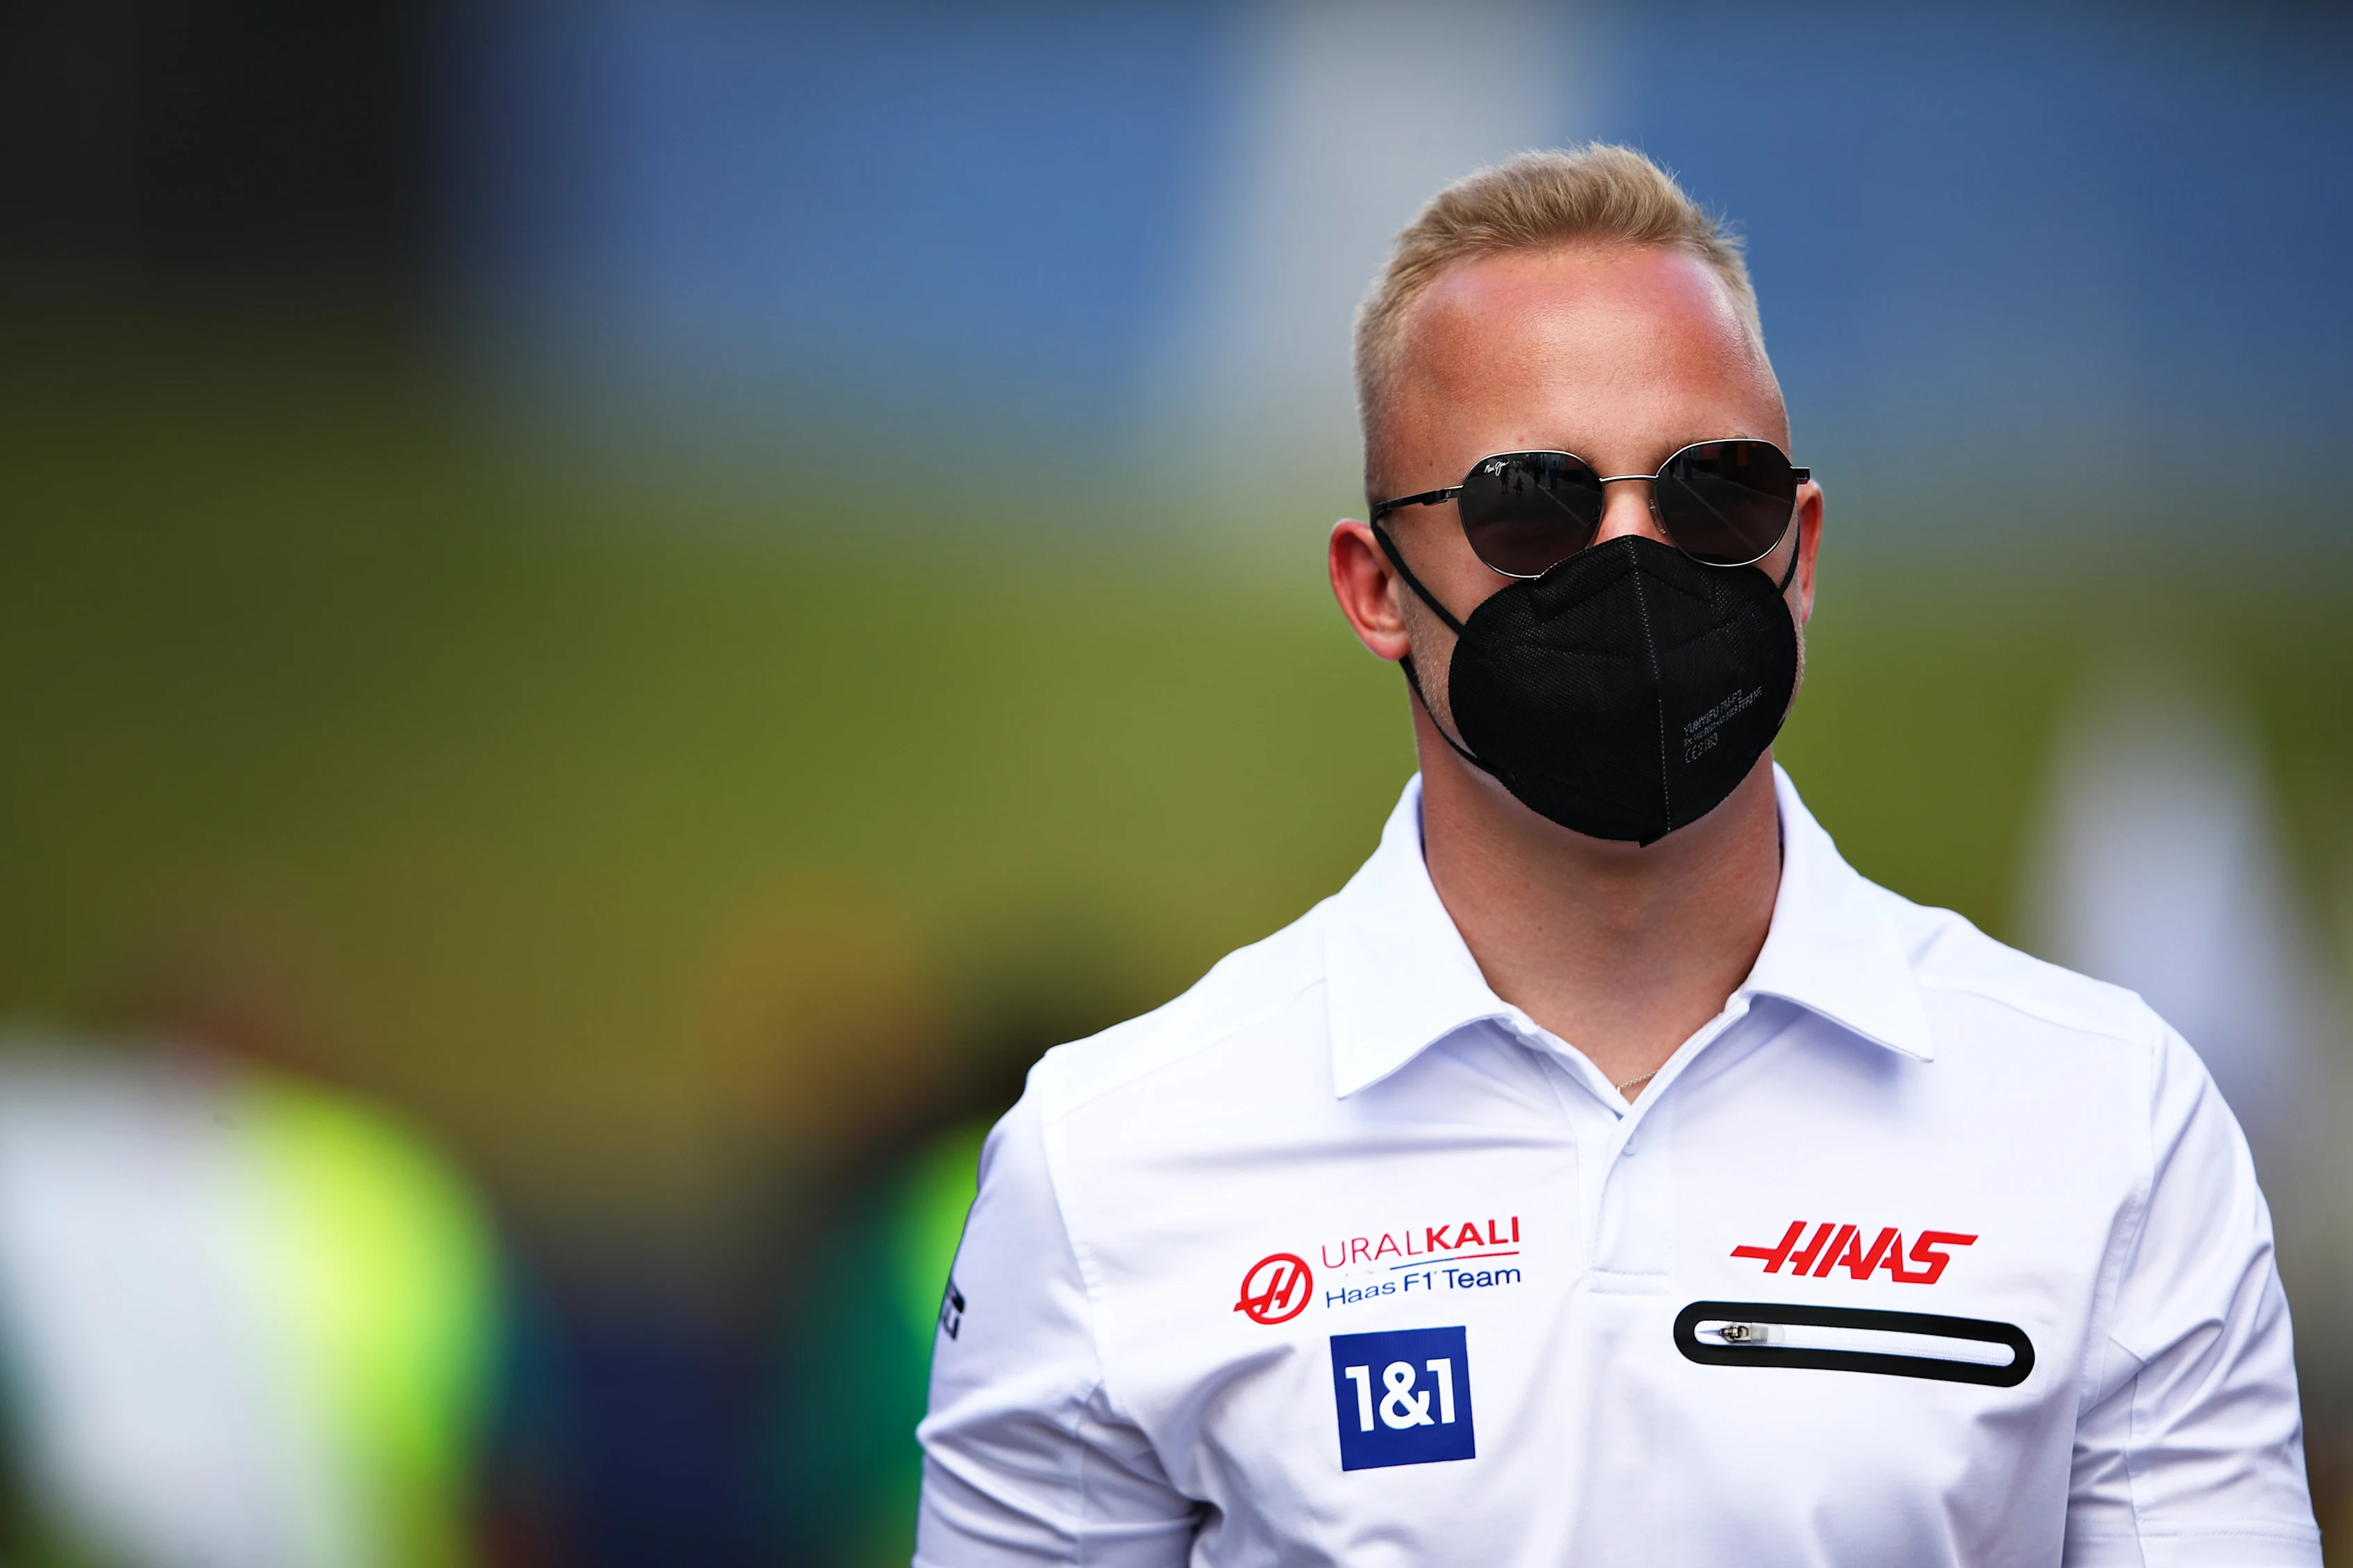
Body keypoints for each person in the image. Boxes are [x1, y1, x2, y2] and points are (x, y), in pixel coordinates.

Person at [913, 146, 2320, 1566]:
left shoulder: (2111, 1119)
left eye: (1715, 493)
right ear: (1371, 587)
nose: (1637, 554)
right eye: (1532, 503)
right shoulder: (1111, 1163)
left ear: (1801, 547)